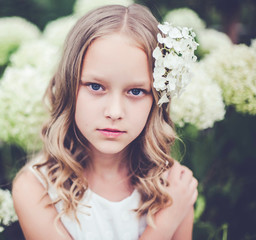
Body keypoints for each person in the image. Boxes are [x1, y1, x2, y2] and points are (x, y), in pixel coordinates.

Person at [12, 3, 198, 240]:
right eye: (96, 86)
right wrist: (164, 224)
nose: (114, 111)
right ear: (70, 86)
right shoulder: (36, 188)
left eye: (136, 91)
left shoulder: (172, 185)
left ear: (156, 99)